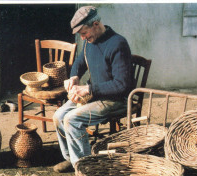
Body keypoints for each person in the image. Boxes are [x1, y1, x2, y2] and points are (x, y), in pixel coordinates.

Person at [53, 6, 133, 173]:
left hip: (116, 99)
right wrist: (74, 76)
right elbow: (79, 62)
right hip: (96, 95)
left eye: (84, 33)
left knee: (71, 120)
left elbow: (121, 85)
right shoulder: (90, 42)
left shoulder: (118, 44)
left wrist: (88, 89)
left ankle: (85, 167)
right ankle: (73, 159)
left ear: (96, 24)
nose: (83, 37)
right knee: (58, 116)